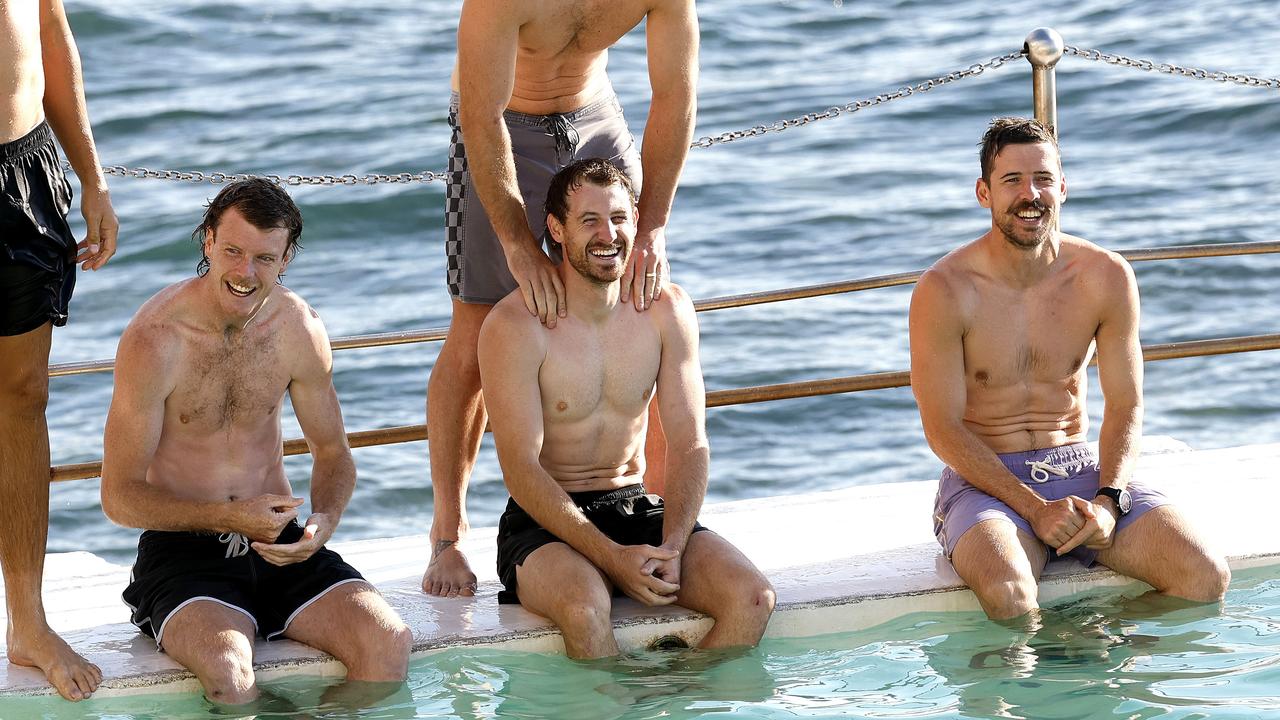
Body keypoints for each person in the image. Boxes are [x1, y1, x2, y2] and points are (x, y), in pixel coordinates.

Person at [422, 0, 698, 598]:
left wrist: (650, 226)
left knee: (641, 307)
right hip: (501, 128)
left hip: (594, 116)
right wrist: (518, 244)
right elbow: (480, 112)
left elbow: (674, 97)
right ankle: (448, 534)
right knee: (473, 341)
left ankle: (653, 514)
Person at [100, 179, 410, 706]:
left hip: (280, 543)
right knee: (230, 676)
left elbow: (334, 455)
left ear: (287, 258)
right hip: (184, 553)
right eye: (233, 252)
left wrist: (322, 523)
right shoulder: (155, 339)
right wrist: (230, 518)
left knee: (388, 645)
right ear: (207, 242)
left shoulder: (299, 329)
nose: (245, 273)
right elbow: (120, 497)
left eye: (265, 258)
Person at [908, 117, 1230, 621]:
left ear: (1063, 186)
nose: (1029, 194)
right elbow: (941, 429)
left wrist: (1109, 500)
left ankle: (1094, 652)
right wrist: (1035, 508)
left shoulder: (1105, 275)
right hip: (987, 483)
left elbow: (1126, 404)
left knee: (1204, 575)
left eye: (1042, 179)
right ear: (983, 192)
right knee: (1011, 595)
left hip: (1080, 471)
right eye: (1011, 180)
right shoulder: (944, 290)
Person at [479, 158, 773, 658]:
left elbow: (690, 443)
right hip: (545, 521)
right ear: (556, 228)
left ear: (636, 220)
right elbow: (520, 470)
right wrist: (613, 559)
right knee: (585, 611)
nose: (607, 234)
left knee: (753, 598)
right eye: (589, 220)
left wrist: (675, 547)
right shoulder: (515, 327)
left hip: (634, 505)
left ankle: (672, 703)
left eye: (618, 217)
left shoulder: (666, 311)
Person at [1, 0, 119, 702]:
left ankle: (28, 622)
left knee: (23, 399)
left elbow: (50, 31)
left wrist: (94, 178)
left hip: (22, 169)